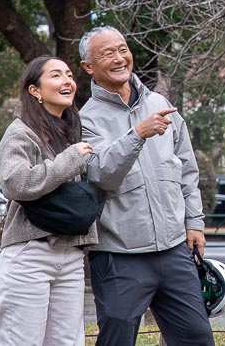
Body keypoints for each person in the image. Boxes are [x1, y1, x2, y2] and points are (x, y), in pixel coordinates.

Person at [79, 25, 214, 346]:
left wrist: (194, 223)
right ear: (88, 67)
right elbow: (102, 174)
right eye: (107, 53)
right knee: (118, 339)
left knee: (197, 337)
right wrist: (137, 134)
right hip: (118, 254)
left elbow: (187, 171)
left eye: (122, 49)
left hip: (173, 250)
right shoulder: (86, 119)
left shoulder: (159, 103)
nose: (119, 58)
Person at [0, 56, 97, 346]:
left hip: (71, 254)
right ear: (35, 91)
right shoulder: (20, 132)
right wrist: (71, 159)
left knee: (68, 342)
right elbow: (16, 183)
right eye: (55, 75)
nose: (67, 80)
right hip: (30, 253)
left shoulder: (73, 130)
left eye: (68, 74)